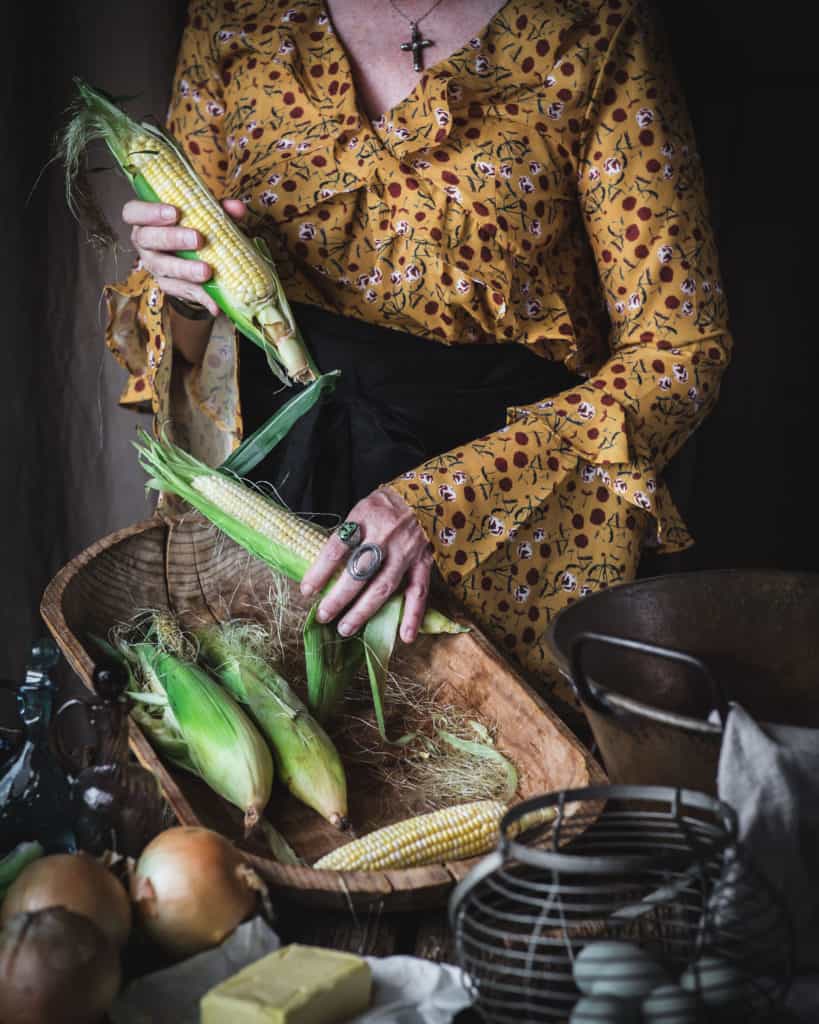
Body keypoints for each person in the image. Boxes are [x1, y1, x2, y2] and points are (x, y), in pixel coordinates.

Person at [105, 0, 732, 716]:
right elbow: (190, 347)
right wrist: (185, 293)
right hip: (278, 501)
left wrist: (444, 502)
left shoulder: (590, 28)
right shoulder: (237, 18)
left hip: (512, 516)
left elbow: (680, 349)